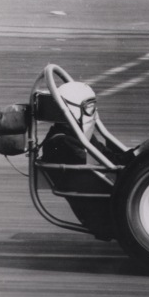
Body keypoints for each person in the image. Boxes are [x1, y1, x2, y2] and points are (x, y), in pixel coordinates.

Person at [41, 81, 128, 228]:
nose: (93, 111)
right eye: (89, 107)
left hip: (117, 195)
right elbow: (104, 165)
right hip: (107, 210)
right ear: (72, 109)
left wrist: (141, 152)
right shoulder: (61, 141)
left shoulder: (79, 135)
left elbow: (108, 157)